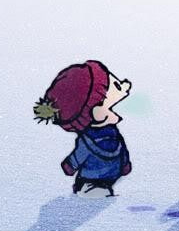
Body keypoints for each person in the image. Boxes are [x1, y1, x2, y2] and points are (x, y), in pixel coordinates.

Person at [34, 60, 133, 196]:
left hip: (112, 174)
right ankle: (88, 190)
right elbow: (79, 155)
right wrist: (69, 166)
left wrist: (125, 165)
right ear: (96, 112)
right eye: (117, 86)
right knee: (92, 190)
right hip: (91, 178)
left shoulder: (113, 133)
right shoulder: (87, 141)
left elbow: (122, 150)